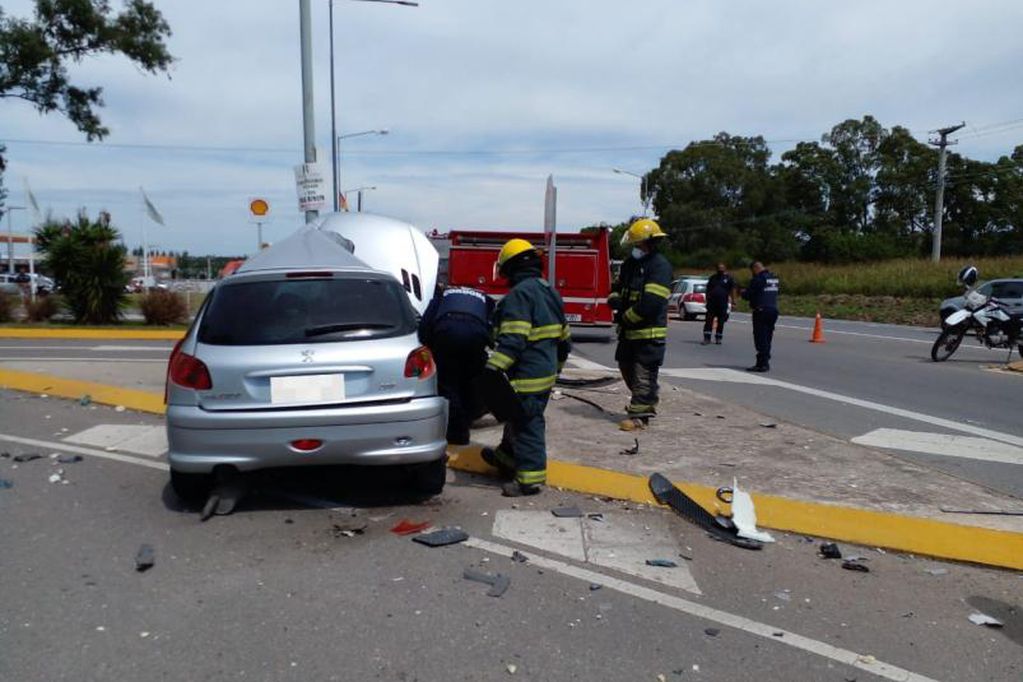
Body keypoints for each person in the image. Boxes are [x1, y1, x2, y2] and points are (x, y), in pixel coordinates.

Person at [481, 239, 571, 497]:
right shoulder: (548, 290)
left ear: (509, 267)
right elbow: (565, 338)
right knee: (516, 416)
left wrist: (491, 370)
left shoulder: (519, 296)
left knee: (527, 424)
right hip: (544, 374)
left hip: (526, 376)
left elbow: (513, 340)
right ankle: (506, 459)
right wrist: (558, 369)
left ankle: (529, 480)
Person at [608, 218, 672, 432]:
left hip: (648, 333)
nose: (635, 248)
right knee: (626, 368)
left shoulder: (659, 267)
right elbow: (616, 286)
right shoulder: (630, 265)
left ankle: (639, 417)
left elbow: (652, 303)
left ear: (648, 243)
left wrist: (626, 317)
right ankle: (647, 399)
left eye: (637, 244)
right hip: (628, 334)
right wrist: (614, 299)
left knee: (643, 373)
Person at [418, 283, 494, 445]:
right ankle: (472, 414)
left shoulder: (442, 296)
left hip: (447, 333)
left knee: (448, 384)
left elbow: (425, 325)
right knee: (471, 380)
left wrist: (431, 345)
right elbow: (493, 324)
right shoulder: (484, 298)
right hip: (476, 336)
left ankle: (458, 433)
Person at [741, 261, 780, 372]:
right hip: (773, 310)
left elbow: (748, 295)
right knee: (768, 336)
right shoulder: (774, 277)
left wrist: (743, 292)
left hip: (761, 311)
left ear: (755, 268)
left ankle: (762, 363)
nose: (752, 273)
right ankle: (764, 360)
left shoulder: (758, 279)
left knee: (760, 337)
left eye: (752, 271)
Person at [703, 262, 737, 345]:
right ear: (716, 269)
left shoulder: (728, 279)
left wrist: (734, 301)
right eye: (719, 268)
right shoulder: (713, 278)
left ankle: (718, 338)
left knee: (721, 321)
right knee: (709, 321)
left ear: (725, 269)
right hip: (712, 303)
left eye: (722, 268)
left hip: (722, 303)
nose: (720, 269)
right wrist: (707, 299)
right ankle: (707, 338)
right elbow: (708, 289)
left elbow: (733, 290)